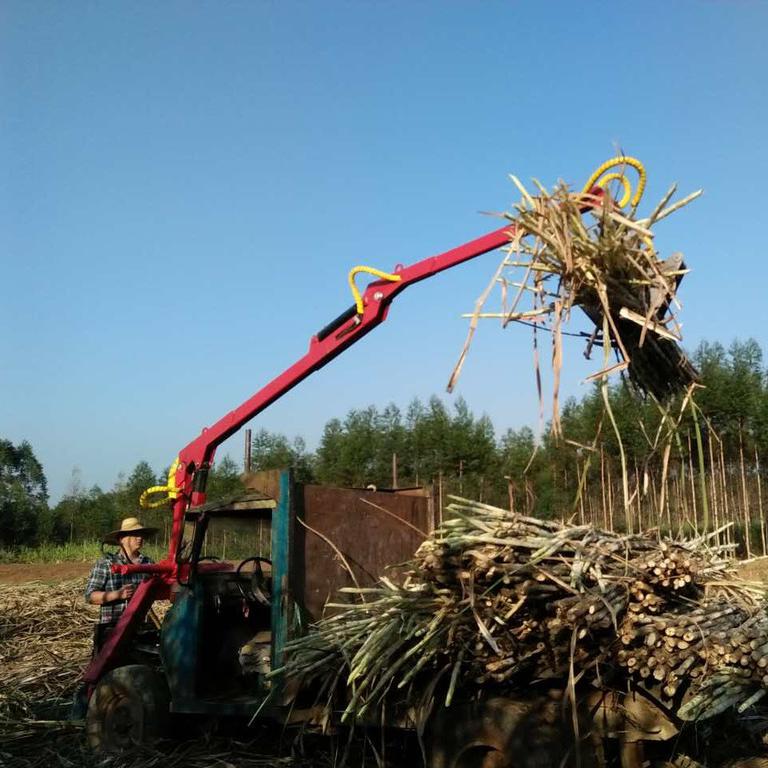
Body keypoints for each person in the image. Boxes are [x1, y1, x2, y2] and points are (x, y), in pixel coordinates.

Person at [84, 516, 157, 654]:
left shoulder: (149, 564)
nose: (139, 538)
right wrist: (117, 594)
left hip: (141, 627)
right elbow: (90, 596)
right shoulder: (106, 563)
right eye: (134, 534)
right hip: (113, 627)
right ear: (121, 539)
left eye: (141, 535)